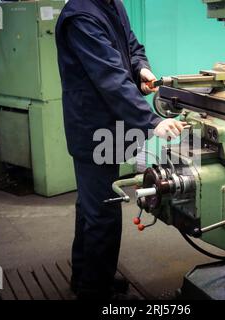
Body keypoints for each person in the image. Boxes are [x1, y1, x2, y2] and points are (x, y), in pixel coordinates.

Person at [55, 0, 186, 300]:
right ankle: (93, 291)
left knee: (89, 206)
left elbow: (131, 45)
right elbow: (109, 75)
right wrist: (151, 121)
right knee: (103, 213)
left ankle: (85, 275)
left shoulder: (112, 4)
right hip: (91, 127)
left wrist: (141, 69)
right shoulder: (80, 15)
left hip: (108, 125)